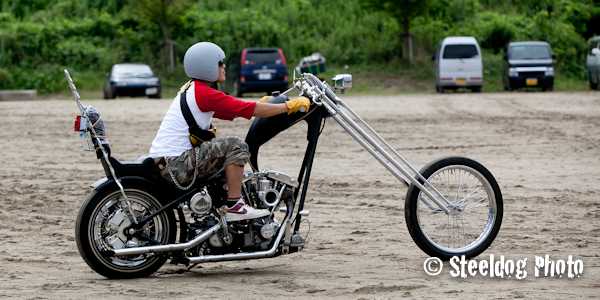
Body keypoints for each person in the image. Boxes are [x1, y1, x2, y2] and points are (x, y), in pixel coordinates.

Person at [149, 41, 310, 222]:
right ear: (207, 67)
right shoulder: (204, 93)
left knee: (223, 151)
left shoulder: (193, 89)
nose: (224, 66)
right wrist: (289, 106)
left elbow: (228, 110)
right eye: (220, 63)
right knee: (236, 146)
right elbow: (245, 109)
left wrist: (259, 104)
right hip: (176, 165)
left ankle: (224, 201)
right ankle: (235, 206)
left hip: (167, 162)